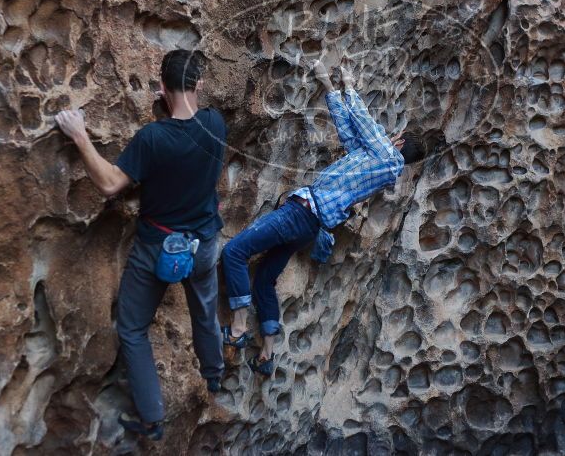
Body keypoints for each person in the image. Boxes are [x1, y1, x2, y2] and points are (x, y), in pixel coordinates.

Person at [54, 50, 227, 440]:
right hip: (203, 244)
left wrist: (79, 135)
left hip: (157, 249)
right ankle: (213, 376)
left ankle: (152, 419)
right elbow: (187, 131)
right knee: (204, 313)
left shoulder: (152, 138)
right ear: (198, 84)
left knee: (133, 329)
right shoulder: (216, 123)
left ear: (161, 86)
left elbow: (112, 183)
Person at [221, 60, 428, 376]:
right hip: (309, 227)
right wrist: (328, 86)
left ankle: (236, 330)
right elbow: (349, 131)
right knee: (264, 279)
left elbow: (362, 119)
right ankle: (266, 354)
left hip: (301, 213)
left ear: (398, 142)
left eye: (393, 136)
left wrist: (349, 82)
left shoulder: (386, 155)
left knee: (234, 253)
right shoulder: (376, 162)